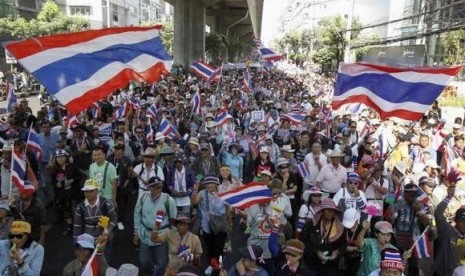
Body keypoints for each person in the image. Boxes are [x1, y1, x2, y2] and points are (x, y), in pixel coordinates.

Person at [133, 176, 177, 276]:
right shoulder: (143, 197)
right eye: (156, 187)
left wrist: (173, 238)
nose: (159, 190)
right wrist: (136, 232)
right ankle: (153, 271)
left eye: (160, 187)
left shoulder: (169, 200)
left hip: (161, 235)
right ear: (150, 188)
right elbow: (137, 214)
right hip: (145, 234)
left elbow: (173, 221)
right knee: (144, 262)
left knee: (162, 263)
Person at [193, 175, 231, 276]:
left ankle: (218, 265)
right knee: (210, 248)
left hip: (221, 225)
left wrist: (230, 224)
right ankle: (211, 265)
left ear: (216, 184)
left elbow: (228, 210)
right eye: (207, 183)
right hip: (207, 226)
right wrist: (194, 190)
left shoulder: (223, 193)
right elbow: (193, 202)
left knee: (219, 248)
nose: (209, 185)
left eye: (212, 183)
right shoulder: (202, 193)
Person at [299, 198, 345, 275]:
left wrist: (337, 251)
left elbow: (344, 243)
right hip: (312, 265)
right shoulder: (311, 224)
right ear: (322, 211)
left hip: (331, 266)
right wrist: (316, 252)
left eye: (332, 210)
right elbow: (303, 242)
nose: (329, 212)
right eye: (327, 209)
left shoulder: (339, 227)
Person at [50, 149, 82, 236]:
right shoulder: (55, 170)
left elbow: (80, 176)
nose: (60, 159)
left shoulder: (72, 166)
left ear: (66, 157)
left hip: (74, 192)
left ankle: (79, 225)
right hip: (63, 194)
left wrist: (72, 180)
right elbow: (52, 182)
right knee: (66, 211)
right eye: (58, 157)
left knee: (77, 209)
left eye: (62, 157)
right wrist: (57, 185)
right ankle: (70, 226)